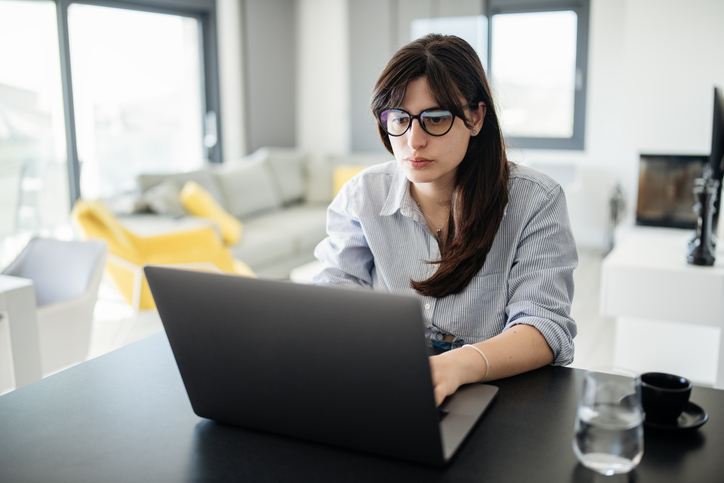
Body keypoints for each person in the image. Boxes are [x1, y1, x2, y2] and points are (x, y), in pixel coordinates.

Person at [312, 34, 577, 406]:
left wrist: (457, 366)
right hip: (389, 387)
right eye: (399, 119)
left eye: (435, 118)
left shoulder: (535, 200)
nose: (414, 140)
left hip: (496, 394)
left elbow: (544, 327)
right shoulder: (362, 196)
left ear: (475, 117)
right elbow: (330, 299)